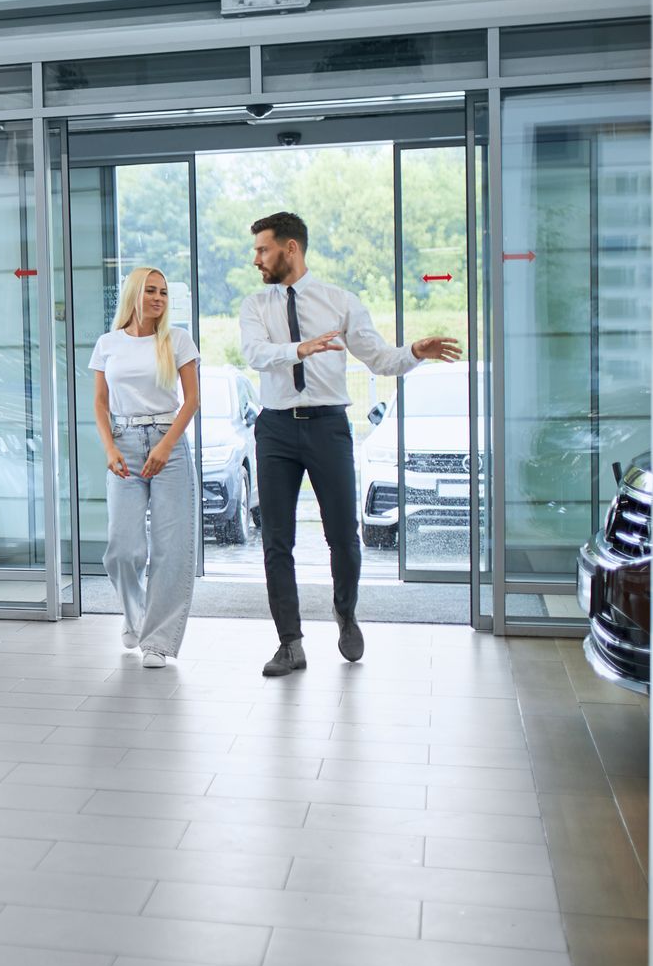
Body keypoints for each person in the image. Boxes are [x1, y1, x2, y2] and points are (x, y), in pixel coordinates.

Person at [239, 211, 461, 677]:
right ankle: (290, 643)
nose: (257, 258)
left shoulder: (340, 301)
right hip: (275, 428)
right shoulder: (255, 306)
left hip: (328, 426)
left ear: (290, 249)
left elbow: (379, 359)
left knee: (343, 534)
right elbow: (256, 354)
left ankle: (345, 611)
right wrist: (298, 349)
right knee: (277, 541)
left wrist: (413, 354)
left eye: (263, 249)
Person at [91, 266, 201, 668]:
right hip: (123, 447)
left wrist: (166, 446)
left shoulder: (177, 340)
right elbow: (100, 403)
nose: (158, 298)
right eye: (151, 291)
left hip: (168, 446)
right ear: (134, 294)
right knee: (122, 549)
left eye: (164, 293)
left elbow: (191, 400)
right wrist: (109, 449)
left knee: (171, 549)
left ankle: (158, 642)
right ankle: (135, 615)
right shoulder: (108, 343)